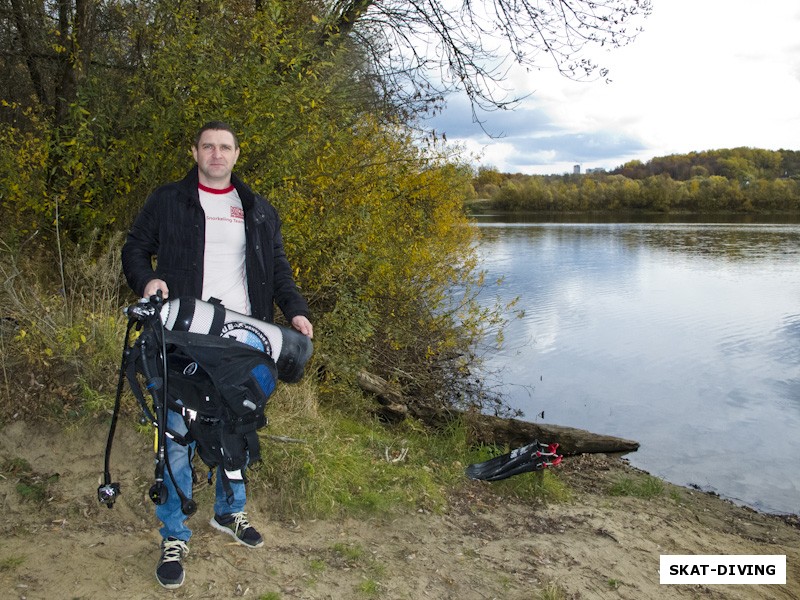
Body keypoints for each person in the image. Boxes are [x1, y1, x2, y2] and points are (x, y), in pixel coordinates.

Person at [122, 121, 313, 589]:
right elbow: (135, 248)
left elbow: (280, 267)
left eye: (224, 147)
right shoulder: (169, 199)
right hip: (181, 334)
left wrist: (296, 311)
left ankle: (230, 513)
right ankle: (174, 534)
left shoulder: (258, 209)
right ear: (195, 152)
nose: (216, 154)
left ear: (236, 153)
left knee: (236, 428)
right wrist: (148, 282)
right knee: (176, 435)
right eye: (207, 146)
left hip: (243, 340)